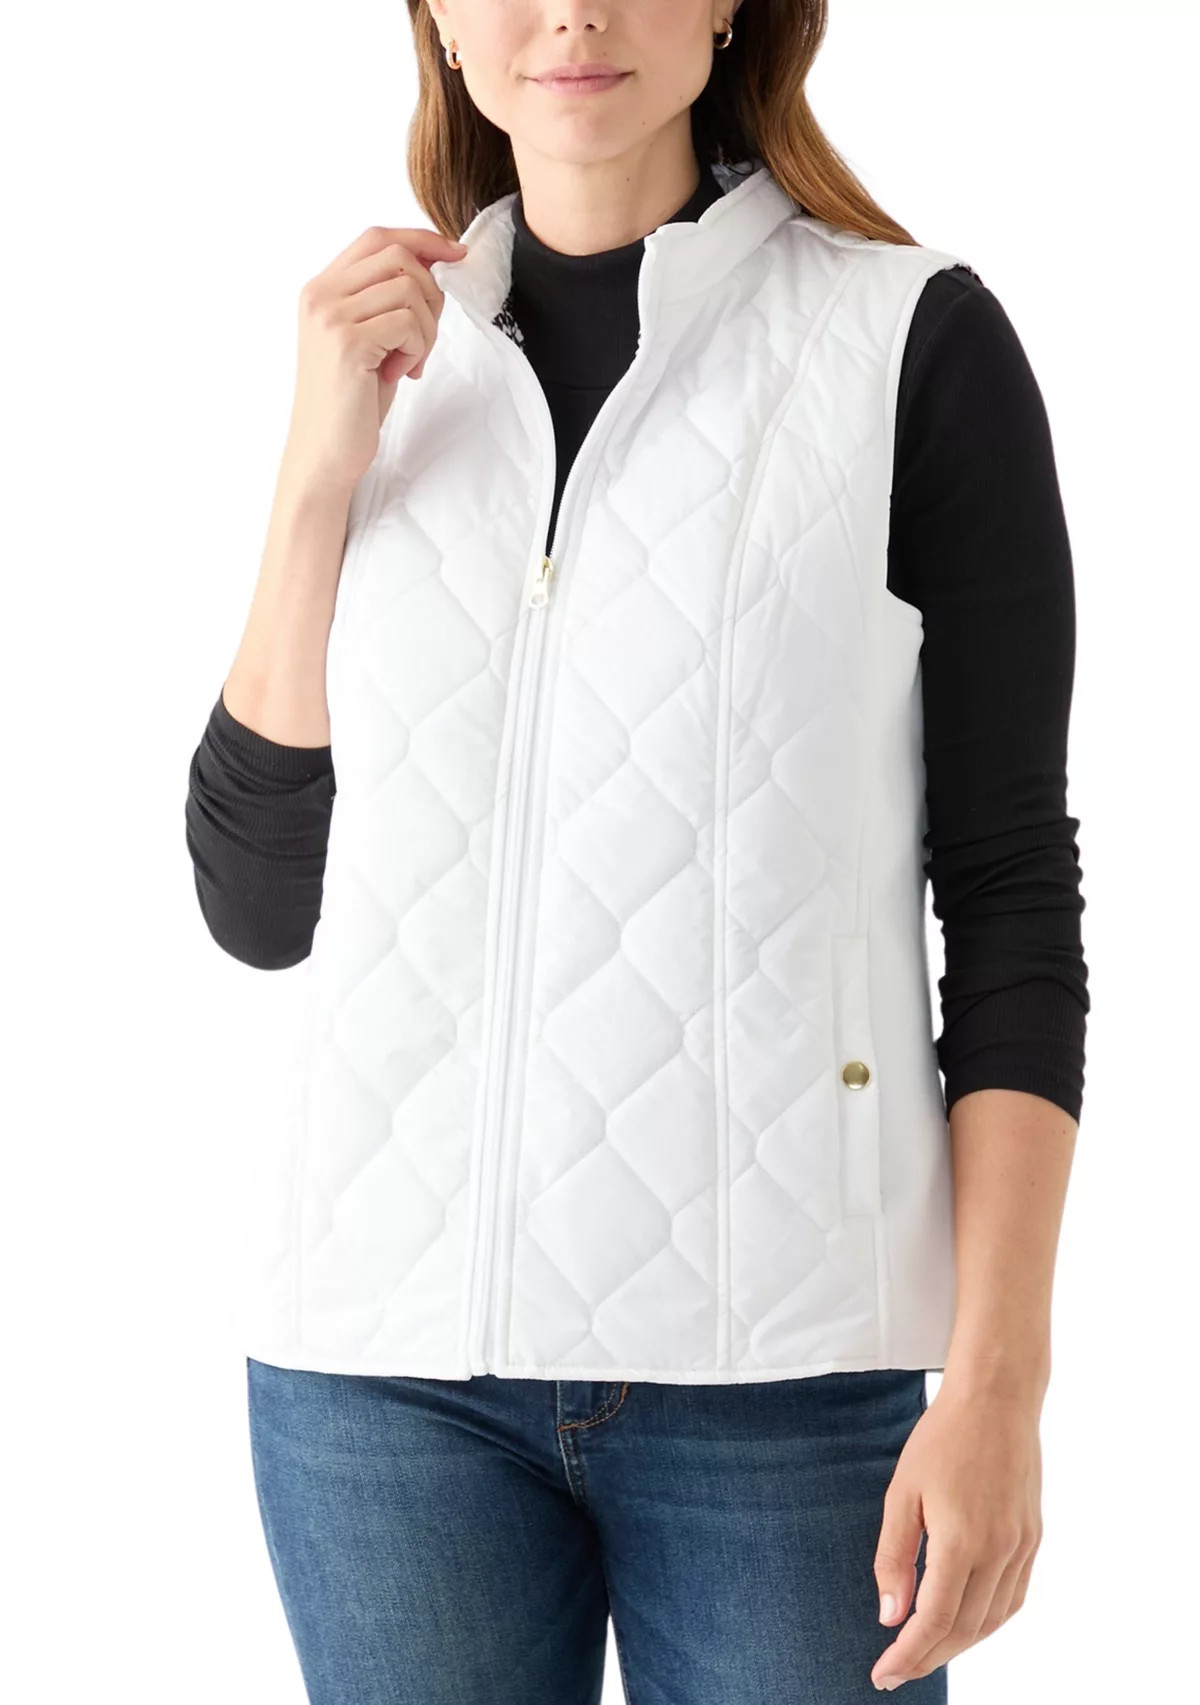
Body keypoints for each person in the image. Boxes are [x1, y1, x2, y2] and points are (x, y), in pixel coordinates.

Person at [185, 2, 1089, 1699]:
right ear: (439, 21)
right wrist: (315, 481)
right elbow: (255, 902)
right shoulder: (383, 359)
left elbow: (1013, 898)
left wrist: (999, 1383)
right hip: (376, 1378)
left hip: (782, 1389)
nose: (574, 11)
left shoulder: (909, 343)